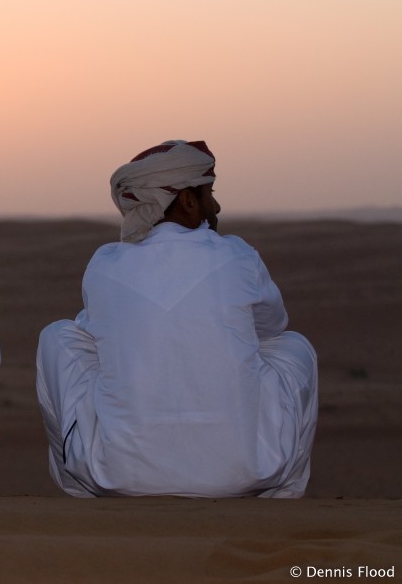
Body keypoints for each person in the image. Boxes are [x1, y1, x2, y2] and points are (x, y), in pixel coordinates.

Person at [36, 141, 317, 498]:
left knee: (59, 336)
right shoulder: (236, 254)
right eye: (208, 193)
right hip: (244, 471)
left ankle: (80, 492)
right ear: (186, 201)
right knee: (293, 346)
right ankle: (283, 495)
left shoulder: (105, 263)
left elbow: (96, 331)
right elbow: (272, 327)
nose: (216, 205)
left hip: (121, 475)